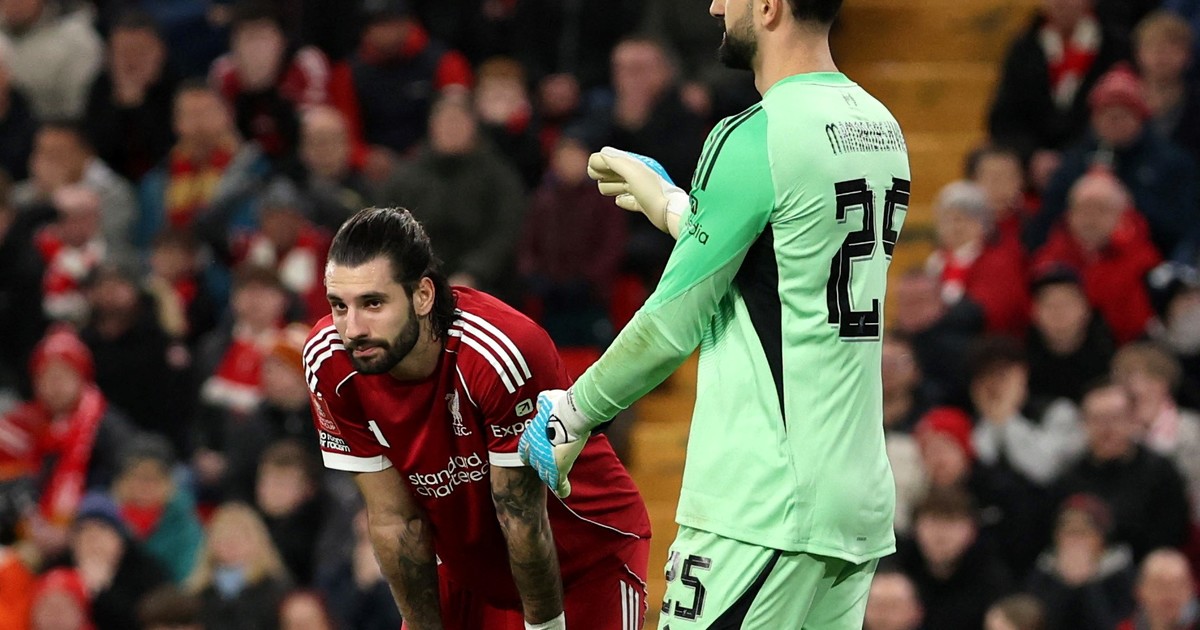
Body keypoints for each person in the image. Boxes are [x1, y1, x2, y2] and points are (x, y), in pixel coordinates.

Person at [519, 0, 909, 626]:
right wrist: (676, 206)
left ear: (770, 7)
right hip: (853, 505)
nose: (716, 6)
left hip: (761, 504)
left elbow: (670, 322)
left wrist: (574, 413)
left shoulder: (754, 134)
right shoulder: (880, 126)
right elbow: (785, 261)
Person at [307, 207, 651, 629]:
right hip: (473, 573)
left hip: (585, 562)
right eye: (339, 306)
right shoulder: (329, 361)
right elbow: (396, 521)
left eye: (373, 303)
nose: (353, 328)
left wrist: (545, 627)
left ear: (423, 296)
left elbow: (520, 515)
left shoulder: (499, 353)